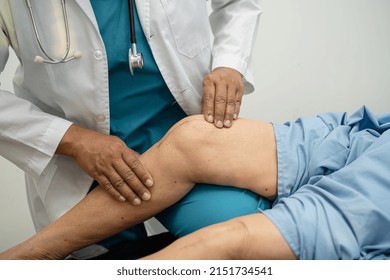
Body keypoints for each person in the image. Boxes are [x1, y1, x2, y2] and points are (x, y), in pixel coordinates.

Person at [0, 0, 266, 258]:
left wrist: (230, 63)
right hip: (84, 168)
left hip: (186, 136)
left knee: (242, 235)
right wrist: (71, 140)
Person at [1, 106, 389, 260]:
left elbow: (234, 239)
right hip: (365, 141)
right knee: (194, 137)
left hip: (364, 209)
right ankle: (26, 256)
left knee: (229, 235)